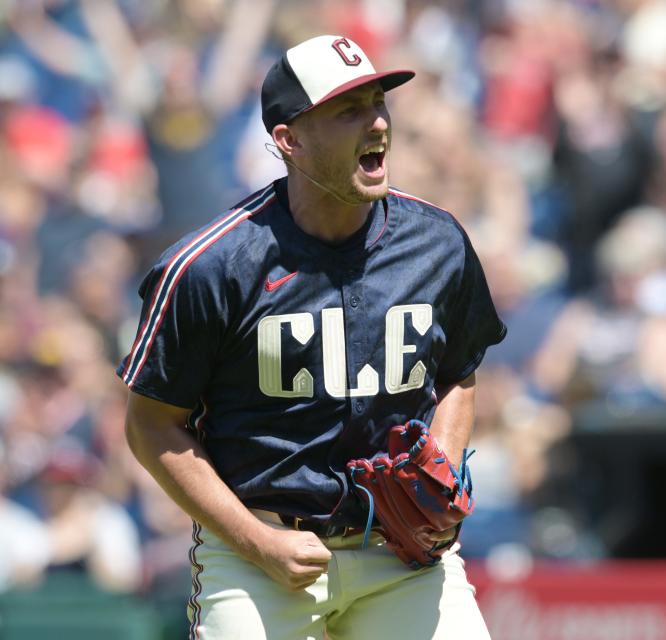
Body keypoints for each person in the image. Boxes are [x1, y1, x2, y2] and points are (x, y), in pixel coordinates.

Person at [119, 34, 506, 639]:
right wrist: (256, 542)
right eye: (348, 111)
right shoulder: (211, 267)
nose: (377, 122)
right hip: (261, 550)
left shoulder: (438, 242)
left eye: (379, 102)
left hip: (402, 553)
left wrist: (443, 470)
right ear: (289, 141)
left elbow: (460, 370)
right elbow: (151, 425)